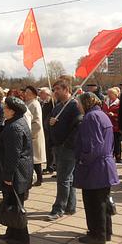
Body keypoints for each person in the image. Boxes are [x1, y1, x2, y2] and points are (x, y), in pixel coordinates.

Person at [74, 92, 119, 244]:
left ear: (86, 102)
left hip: (95, 167)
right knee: (102, 201)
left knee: (94, 202)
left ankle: (97, 234)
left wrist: (82, 160)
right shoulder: (101, 114)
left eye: (79, 103)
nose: (78, 106)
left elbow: (92, 145)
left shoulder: (90, 117)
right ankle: (105, 232)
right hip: (104, 164)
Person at [0, 97, 33, 244]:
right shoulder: (15, 123)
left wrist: (8, 176)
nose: (4, 110)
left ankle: (22, 236)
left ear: (13, 111)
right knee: (10, 203)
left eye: (6, 108)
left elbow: (13, 154)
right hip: (18, 172)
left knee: (16, 206)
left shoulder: (15, 127)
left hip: (16, 173)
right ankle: (11, 232)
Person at [47, 79, 82, 221]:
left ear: (66, 89)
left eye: (57, 89)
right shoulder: (58, 106)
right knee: (69, 178)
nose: (55, 92)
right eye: (54, 89)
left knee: (63, 178)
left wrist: (67, 144)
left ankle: (58, 208)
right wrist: (51, 123)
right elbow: (51, 121)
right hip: (58, 146)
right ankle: (70, 206)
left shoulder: (74, 106)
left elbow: (78, 127)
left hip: (67, 148)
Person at [25, 86, 46, 186]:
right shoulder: (29, 103)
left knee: (36, 159)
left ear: (33, 94)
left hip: (34, 135)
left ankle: (39, 178)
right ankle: (37, 178)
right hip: (31, 134)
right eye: (26, 92)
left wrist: (31, 134)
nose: (26, 94)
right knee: (34, 159)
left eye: (28, 93)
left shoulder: (35, 104)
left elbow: (37, 122)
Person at [102, 87, 122, 163]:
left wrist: (114, 115)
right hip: (106, 125)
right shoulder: (105, 102)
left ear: (115, 95)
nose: (109, 95)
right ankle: (109, 155)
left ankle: (118, 156)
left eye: (111, 94)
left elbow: (121, 114)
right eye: (108, 93)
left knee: (117, 142)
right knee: (108, 141)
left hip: (115, 125)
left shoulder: (119, 103)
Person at [39, 87, 55, 174]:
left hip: (50, 128)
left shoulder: (52, 102)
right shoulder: (43, 103)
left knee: (50, 149)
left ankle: (51, 166)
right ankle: (49, 165)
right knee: (47, 148)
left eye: (42, 93)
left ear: (47, 94)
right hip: (44, 127)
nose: (40, 94)